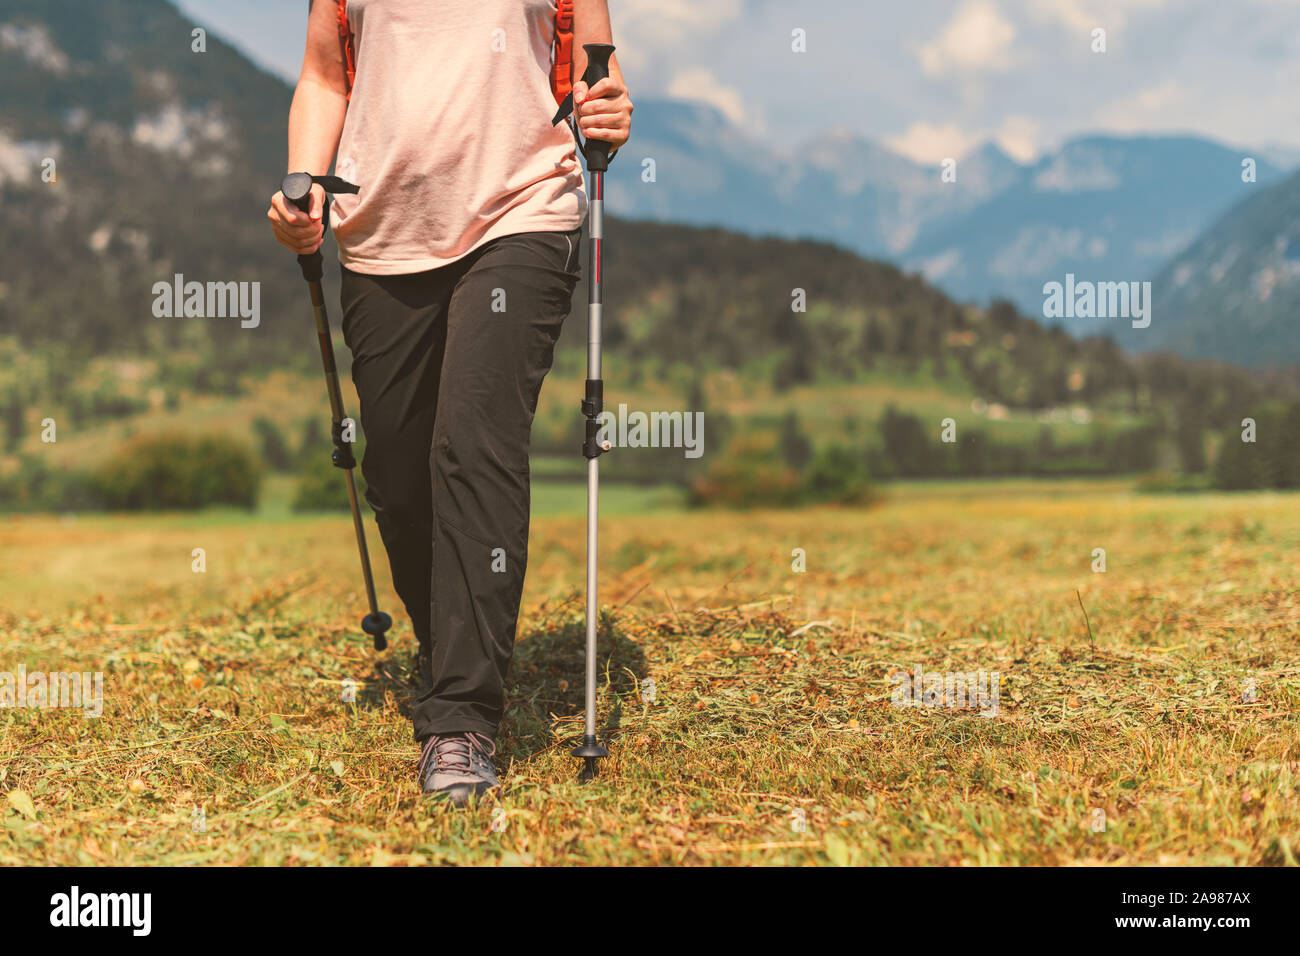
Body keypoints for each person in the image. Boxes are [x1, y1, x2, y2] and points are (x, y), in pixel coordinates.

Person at [267, 0, 632, 805]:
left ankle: (461, 718)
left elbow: (594, 76)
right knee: (400, 477)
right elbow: (325, 77)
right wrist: (303, 187)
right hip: (380, 233)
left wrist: (610, 108)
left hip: (522, 213)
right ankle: (452, 643)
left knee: (472, 446)